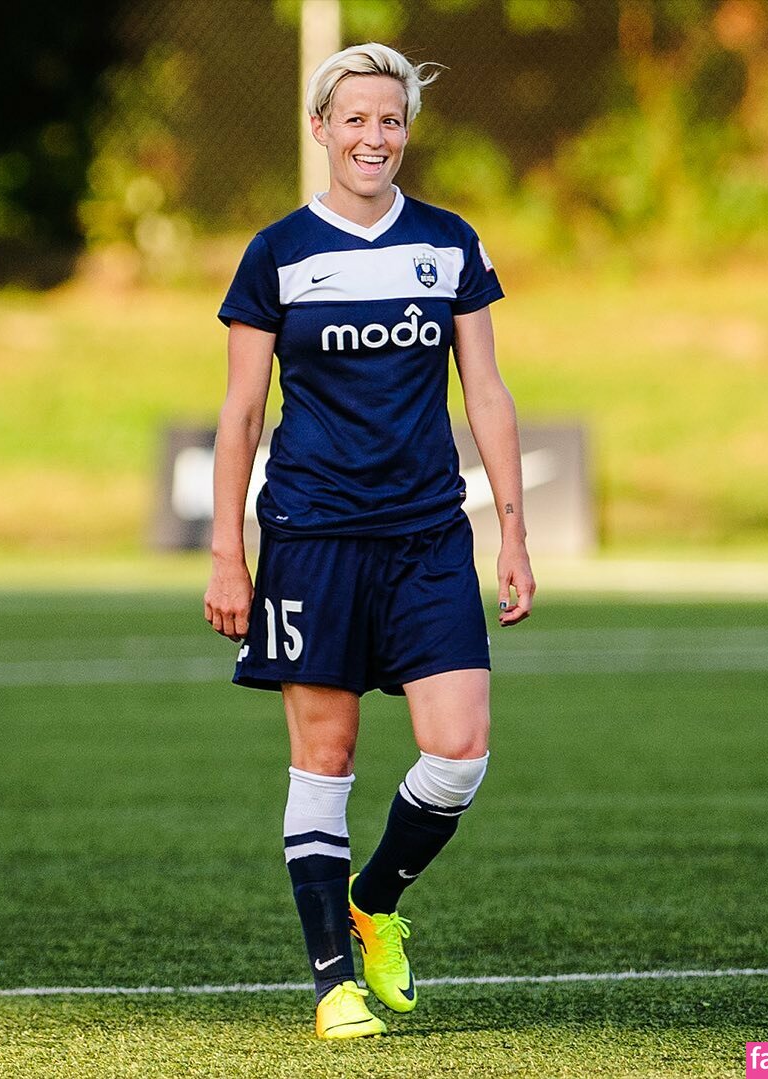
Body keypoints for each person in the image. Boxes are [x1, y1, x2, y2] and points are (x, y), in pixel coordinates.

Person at [204, 42, 535, 1040]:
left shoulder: (450, 242)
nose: (373, 137)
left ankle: (376, 897)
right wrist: (228, 552)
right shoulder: (276, 253)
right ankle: (331, 985)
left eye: (390, 119)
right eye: (354, 118)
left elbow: (486, 392)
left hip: (429, 533)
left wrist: (512, 533)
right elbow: (240, 412)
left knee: (460, 750)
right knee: (326, 756)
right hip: (312, 536)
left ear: (407, 131)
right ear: (320, 128)